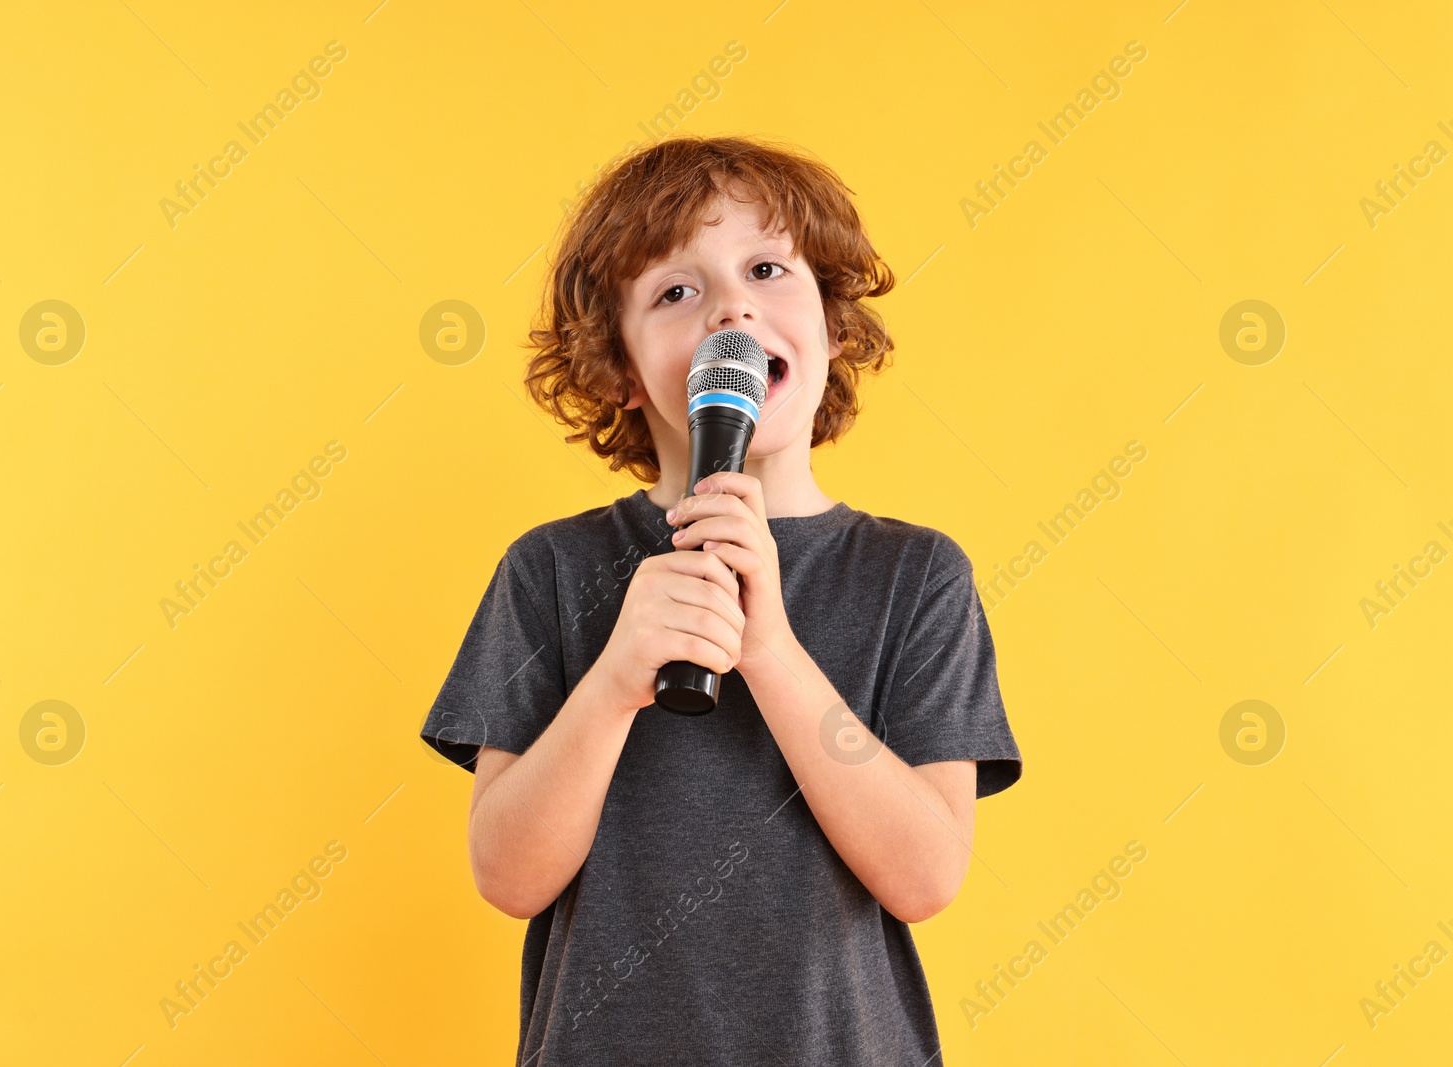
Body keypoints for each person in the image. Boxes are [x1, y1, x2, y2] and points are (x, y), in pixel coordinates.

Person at [419, 133, 1022, 1066]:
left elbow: (925, 873)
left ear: (831, 324)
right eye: (675, 290)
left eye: (768, 268)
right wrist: (619, 676)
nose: (732, 304)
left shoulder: (916, 576)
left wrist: (770, 648)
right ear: (620, 367)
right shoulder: (548, 570)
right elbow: (506, 873)